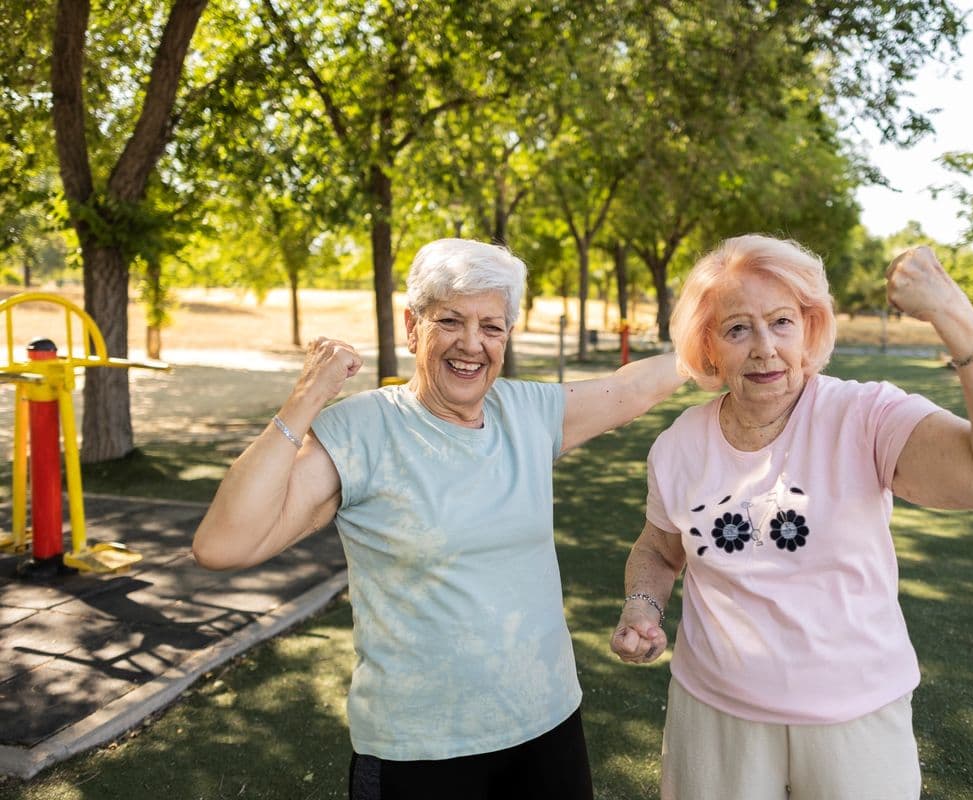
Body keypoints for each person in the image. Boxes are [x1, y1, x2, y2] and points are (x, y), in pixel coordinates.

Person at [193, 238, 685, 800]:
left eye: (492, 327)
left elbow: (632, 388)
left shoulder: (526, 412)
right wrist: (306, 398)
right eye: (450, 320)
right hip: (420, 752)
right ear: (412, 325)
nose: (471, 344)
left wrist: (718, 339)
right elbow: (223, 544)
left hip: (547, 726)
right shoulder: (362, 431)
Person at [609, 235, 973, 800]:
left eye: (782, 321)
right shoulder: (678, 445)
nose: (765, 347)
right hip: (713, 716)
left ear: (810, 327)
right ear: (709, 346)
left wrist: (953, 315)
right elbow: (658, 548)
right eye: (738, 328)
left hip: (855, 718)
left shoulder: (866, 416)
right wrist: (641, 606)